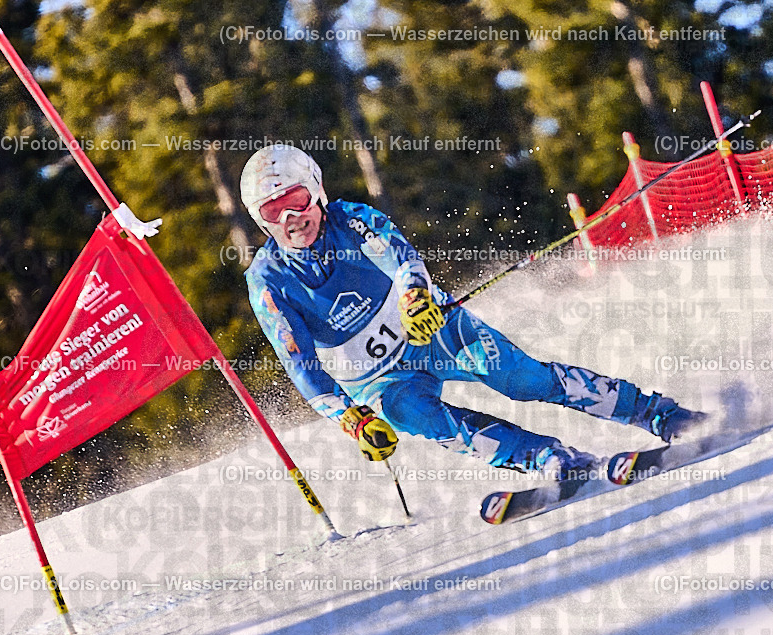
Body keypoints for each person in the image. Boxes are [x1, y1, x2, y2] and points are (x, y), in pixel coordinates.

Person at [240, 144, 703, 478]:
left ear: (316, 190)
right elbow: (301, 365)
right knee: (426, 420)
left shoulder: (350, 219)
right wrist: (350, 417)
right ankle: (546, 458)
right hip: (380, 379)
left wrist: (414, 296)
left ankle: (656, 414)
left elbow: (400, 258)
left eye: (296, 201)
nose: (290, 219)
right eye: (272, 211)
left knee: (520, 379)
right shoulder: (267, 281)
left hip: (434, 331)